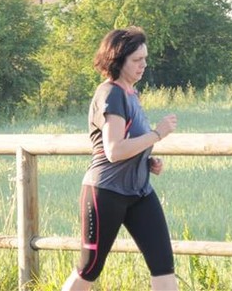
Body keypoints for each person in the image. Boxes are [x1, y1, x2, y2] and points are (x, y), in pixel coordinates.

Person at [62, 26, 179, 291]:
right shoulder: (111, 93)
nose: (143, 65)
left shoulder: (131, 94)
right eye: (137, 60)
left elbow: (130, 143)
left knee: (163, 264)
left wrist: (146, 161)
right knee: (89, 269)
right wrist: (157, 134)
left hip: (139, 193)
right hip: (106, 192)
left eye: (145, 58)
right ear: (118, 60)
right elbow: (114, 150)